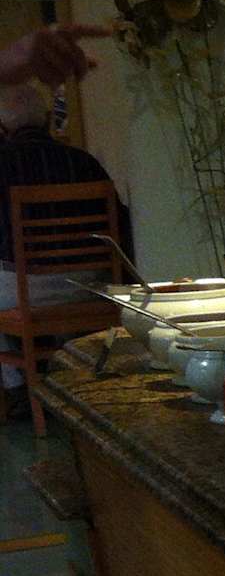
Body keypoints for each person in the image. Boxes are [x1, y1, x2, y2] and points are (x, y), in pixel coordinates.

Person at [0, 80, 127, 417]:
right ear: (47, 119)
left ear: (3, 127)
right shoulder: (84, 162)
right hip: (88, 285)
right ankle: (73, 374)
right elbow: (120, 227)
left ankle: (16, 387)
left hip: (21, 292)